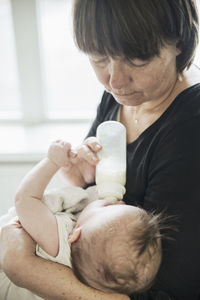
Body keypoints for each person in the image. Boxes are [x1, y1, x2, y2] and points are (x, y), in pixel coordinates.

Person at [0, 0, 200, 299]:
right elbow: (87, 184)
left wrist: (22, 265)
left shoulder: (190, 128)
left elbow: (167, 292)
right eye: (98, 57)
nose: (115, 81)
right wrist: (78, 175)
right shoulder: (123, 95)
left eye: (137, 60)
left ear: (178, 43)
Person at [0, 140, 162, 300]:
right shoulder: (93, 275)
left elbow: (25, 199)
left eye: (108, 208)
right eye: (124, 205)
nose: (119, 202)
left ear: (75, 235)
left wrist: (52, 162)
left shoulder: (58, 240)